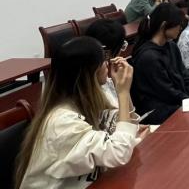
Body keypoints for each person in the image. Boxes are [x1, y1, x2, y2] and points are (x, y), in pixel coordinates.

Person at [15, 37, 140, 188]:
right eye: (103, 60)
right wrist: (123, 92)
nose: (107, 63)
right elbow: (119, 152)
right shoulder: (61, 122)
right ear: (89, 73)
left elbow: (128, 131)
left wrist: (123, 94)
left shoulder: (88, 102)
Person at [130, 2, 189, 124]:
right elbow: (166, 91)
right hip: (158, 109)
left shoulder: (171, 46)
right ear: (164, 25)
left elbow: (185, 75)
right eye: (178, 25)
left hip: (176, 101)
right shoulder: (148, 57)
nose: (180, 28)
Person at [85, 19, 139, 130]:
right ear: (107, 54)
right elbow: (122, 131)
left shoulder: (110, 80)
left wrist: (123, 86)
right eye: (122, 46)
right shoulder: (92, 91)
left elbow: (134, 122)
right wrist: (123, 90)